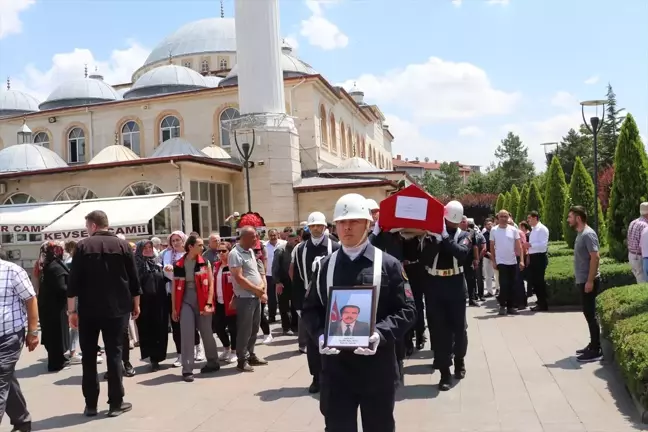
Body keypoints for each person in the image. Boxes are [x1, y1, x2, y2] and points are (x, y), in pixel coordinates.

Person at [301, 193, 416, 431]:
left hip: (376, 367)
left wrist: (380, 334)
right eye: (342, 222)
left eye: (354, 221)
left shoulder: (388, 264)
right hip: (336, 369)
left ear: (368, 224)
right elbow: (310, 309)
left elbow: (408, 309)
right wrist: (321, 335)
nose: (347, 227)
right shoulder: (324, 267)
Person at [67, 210, 141, 417]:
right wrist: (136, 304)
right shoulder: (123, 245)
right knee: (115, 355)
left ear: (93, 226)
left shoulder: (82, 246)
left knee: (89, 357)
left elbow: (72, 282)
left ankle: (91, 405)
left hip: (89, 310)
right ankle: (116, 404)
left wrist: (72, 311)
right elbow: (134, 280)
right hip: (117, 309)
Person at [419, 200, 472, 391]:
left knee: (459, 329)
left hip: (456, 285)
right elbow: (423, 259)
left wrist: (444, 238)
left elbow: (462, 254)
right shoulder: (430, 236)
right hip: (435, 286)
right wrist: (435, 239)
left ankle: (459, 360)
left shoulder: (464, 235)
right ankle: (444, 373)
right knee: (440, 331)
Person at [293, 211, 340, 393]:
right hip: (310, 303)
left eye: (319, 226)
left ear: (324, 227)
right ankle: (316, 377)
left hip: (330, 299)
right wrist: (298, 305)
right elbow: (296, 278)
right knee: (313, 342)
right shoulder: (300, 250)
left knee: (333, 340)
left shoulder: (335, 247)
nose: (316, 229)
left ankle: (333, 376)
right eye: (312, 226)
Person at [171, 235, 221, 382]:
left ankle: (212, 362)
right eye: (199, 245)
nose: (202, 247)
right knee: (186, 334)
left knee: (206, 333)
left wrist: (209, 303)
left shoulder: (205, 262)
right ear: (190, 247)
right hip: (186, 300)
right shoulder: (179, 264)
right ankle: (187, 369)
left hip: (203, 300)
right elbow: (174, 288)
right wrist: (174, 308)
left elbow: (211, 283)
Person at [0, 256, 39, 432]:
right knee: (6, 380)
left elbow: (30, 299)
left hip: (9, 337)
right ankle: (22, 421)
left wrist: (32, 331)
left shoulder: (12, 271)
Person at [229, 226, 269, 372]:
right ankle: (242, 359)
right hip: (245, 297)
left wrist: (261, 287)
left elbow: (254, 272)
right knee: (244, 330)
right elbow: (239, 278)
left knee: (254, 328)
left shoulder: (250, 251)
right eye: (253, 237)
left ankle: (251, 354)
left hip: (255, 296)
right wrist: (257, 289)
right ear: (244, 237)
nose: (255, 239)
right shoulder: (235, 254)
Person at [567, 206, 603, 362]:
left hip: (589, 281)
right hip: (582, 280)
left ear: (578, 218)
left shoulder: (588, 234)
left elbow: (595, 257)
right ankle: (593, 343)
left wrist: (590, 280)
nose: (568, 220)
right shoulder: (580, 234)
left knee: (591, 314)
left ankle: (596, 349)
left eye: (570, 217)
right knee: (588, 313)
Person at [134, 240, 169, 372]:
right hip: (144, 303)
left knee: (160, 329)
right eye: (145, 247)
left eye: (150, 247)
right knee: (148, 330)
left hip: (160, 302)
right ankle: (152, 359)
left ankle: (160, 357)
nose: (148, 250)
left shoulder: (157, 264)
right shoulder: (136, 265)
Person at [38, 241, 71, 372]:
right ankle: (56, 363)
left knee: (56, 334)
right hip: (54, 308)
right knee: (56, 335)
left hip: (51, 306)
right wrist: (73, 290)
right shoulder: (55, 267)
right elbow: (61, 287)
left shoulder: (50, 265)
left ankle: (59, 359)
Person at [490, 209, 523, 316]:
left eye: (505, 216)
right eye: (501, 217)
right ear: (498, 218)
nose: (503, 219)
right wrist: (494, 261)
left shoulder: (513, 230)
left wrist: (521, 260)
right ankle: (502, 306)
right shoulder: (494, 230)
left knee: (512, 285)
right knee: (504, 284)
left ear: (508, 217)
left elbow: (519, 246)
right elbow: (492, 247)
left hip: (512, 261)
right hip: (501, 261)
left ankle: (510, 306)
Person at [212, 242, 238, 364]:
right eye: (219, 251)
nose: (221, 254)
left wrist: (235, 298)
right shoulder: (216, 266)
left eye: (223, 251)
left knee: (233, 328)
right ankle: (226, 348)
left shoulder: (233, 266)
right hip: (219, 302)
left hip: (231, 302)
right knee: (218, 327)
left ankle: (234, 351)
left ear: (229, 251)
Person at [526, 211, 549, 311]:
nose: (528, 221)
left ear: (535, 218)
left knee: (539, 281)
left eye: (529, 218)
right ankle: (540, 301)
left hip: (539, 257)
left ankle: (543, 304)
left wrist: (531, 245)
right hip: (533, 257)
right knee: (535, 281)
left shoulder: (542, 229)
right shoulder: (533, 229)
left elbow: (543, 245)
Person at [627, 202, 648, 283]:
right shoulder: (645, 226)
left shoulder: (633, 222)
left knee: (639, 280)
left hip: (631, 255)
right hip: (639, 257)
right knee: (643, 284)